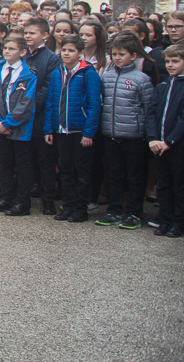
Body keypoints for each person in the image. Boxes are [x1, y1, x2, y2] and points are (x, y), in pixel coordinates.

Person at [98, 32, 155, 229]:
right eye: (114, 54)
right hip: (111, 134)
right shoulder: (107, 76)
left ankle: (133, 213)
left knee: (134, 176)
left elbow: (148, 108)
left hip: (133, 135)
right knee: (115, 174)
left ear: (133, 56)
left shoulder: (142, 79)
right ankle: (113, 210)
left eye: (121, 54)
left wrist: (145, 133)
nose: (117, 58)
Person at [44, 37, 100, 223]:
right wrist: (49, 129)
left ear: (80, 53)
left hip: (79, 130)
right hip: (61, 130)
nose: (66, 54)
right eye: (64, 50)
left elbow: (94, 104)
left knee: (82, 171)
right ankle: (68, 205)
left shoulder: (88, 73)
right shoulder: (57, 73)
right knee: (66, 170)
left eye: (71, 50)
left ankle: (80, 208)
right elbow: (51, 102)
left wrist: (89, 133)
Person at [0, 34, 37, 217]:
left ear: (22, 52)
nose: (7, 51)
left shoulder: (28, 75)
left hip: (19, 127)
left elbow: (26, 103)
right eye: (5, 48)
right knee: (4, 162)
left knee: (22, 163)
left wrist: (8, 122)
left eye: (12, 48)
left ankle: (23, 202)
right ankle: (6, 197)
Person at [19, 17, 60, 215]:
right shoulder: (22, 56)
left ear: (45, 35)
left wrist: (30, 106)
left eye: (32, 33)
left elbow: (48, 87)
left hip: (40, 116)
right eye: (25, 33)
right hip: (21, 117)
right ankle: (22, 199)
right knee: (25, 159)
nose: (28, 36)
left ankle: (48, 200)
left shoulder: (51, 58)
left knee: (45, 161)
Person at [148, 44, 184, 238]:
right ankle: (165, 219)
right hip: (159, 145)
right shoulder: (162, 86)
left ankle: (178, 223)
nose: (170, 65)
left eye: (175, 61)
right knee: (163, 185)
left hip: (176, 146)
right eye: (168, 61)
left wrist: (169, 141)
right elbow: (151, 113)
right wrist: (153, 138)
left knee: (179, 186)